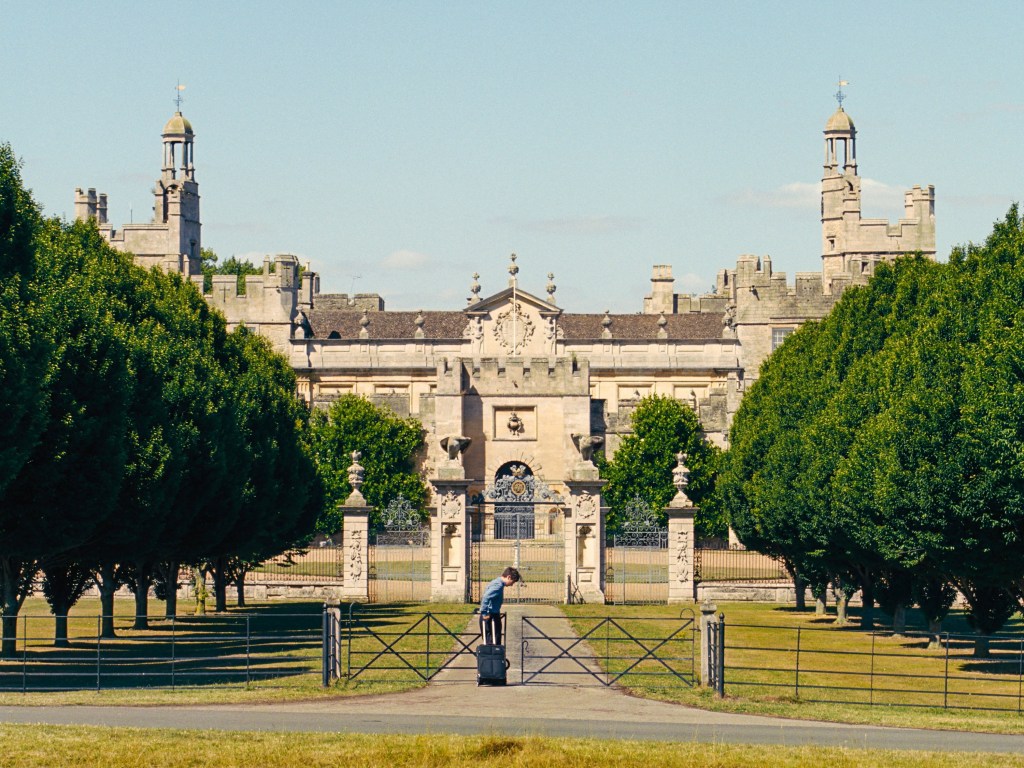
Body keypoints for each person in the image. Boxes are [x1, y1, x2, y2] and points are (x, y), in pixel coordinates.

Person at [479, 566, 521, 646]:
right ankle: (493, 658)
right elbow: (486, 597)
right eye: (513, 582)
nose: (512, 585)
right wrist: (484, 613)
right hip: (490, 616)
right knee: (492, 644)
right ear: (509, 577)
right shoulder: (498, 585)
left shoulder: (496, 582)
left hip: (492, 614)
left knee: (492, 643)